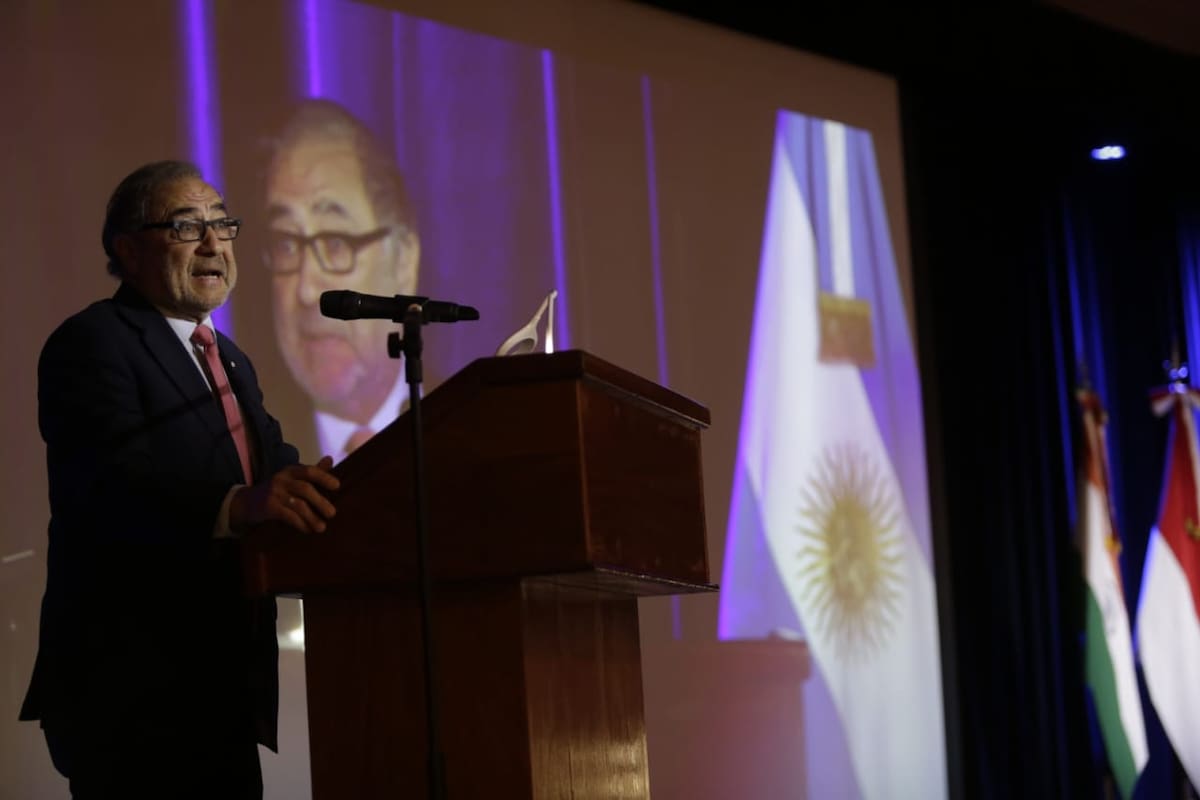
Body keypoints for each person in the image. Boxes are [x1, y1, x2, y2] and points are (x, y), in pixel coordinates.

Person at [19, 160, 340, 799]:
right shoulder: (93, 342)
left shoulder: (229, 358)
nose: (214, 243)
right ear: (128, 249)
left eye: (223, 224)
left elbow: (276, 463)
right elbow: (110, 481)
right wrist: (242, 505)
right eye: (186, 227)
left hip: (222, 679)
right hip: (132, 687)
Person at [261, 100, 421, 463]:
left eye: (336, 243)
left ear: (403, 261)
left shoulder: (472, 427)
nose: (306, 290)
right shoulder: (244, 458)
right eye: (286, 243)